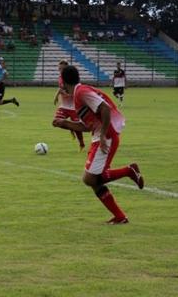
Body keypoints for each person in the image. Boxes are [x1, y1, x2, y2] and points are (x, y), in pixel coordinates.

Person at [53, 65, 144, 224]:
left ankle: (129, 171)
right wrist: (65, 124)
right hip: (100, 136)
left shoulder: (81, 92)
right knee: (92, 180)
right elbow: (88, 126)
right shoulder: (78, 95)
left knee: (90, 179)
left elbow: (105, 108)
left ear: (64, 82)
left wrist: (102, 135)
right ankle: (120, 217)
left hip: (106, 137)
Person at [53, 60, 85, 151]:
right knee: (55, 122)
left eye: (62, 69)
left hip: (74, 106)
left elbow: (77, 90)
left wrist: (69, 94)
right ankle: (71, 127)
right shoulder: (60, 78)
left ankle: (81, 144)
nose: (60, 70)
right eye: (59, 69)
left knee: (78, 127)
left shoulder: (72, 78)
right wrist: (56, 96)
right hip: (64, 105)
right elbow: (60, 88)